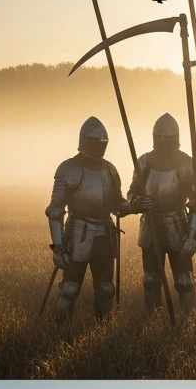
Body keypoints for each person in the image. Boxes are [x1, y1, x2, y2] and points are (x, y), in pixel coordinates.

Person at [45, 116, 124, 324]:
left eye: (103, 142)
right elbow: (55, 210)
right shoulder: (69, 168)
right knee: (70, 289)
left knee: (106, 289)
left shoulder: (110, 169)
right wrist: (58, 248)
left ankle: (103, 329)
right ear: (85, 141)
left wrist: (138, 205)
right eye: (96, 141)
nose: (100, 145)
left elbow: (118, 205)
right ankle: (59, 329)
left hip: (105, 235)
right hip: (77, 234)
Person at [125, 112, 196, 312]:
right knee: (150, 280)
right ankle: (153, 320)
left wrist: (192, 238)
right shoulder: (144, 162)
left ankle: (189, 319)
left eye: (166, 137)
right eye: (158, 136)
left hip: (178, 226)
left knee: (185, 281)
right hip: (150, 227)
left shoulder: (187, 164)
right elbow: (132, 192)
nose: (162, 140)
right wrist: (138, 202)